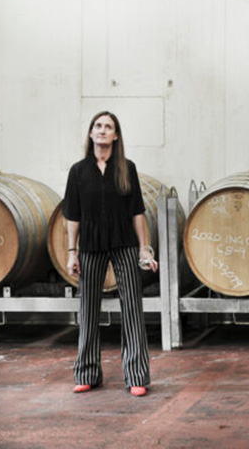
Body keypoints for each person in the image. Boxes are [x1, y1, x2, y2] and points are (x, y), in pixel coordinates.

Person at [63, 111, 159, 397]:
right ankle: (88, 373)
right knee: (89, 309)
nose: (102, 130)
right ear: (91, 133)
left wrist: (144, 248)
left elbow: (137, 213)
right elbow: (72, 216)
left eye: (108, 127)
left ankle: (136, 375)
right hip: (90, 246)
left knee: (131, 309)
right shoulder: (78, 171)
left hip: (125, 244)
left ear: (116, 136)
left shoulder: (127, 168)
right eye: (98, 126)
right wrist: (71, 252)